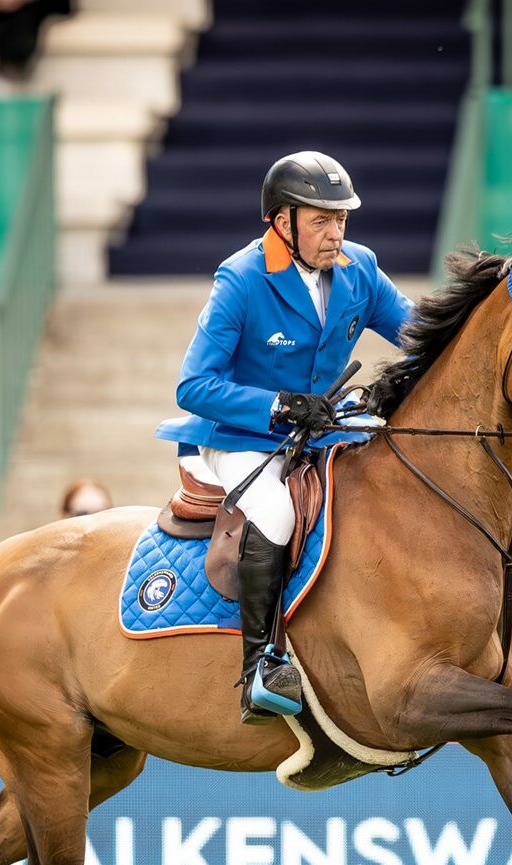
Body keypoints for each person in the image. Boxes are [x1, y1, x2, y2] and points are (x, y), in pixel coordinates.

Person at [155, 151, 414, 725]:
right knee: (273, 513)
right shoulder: (242, 278)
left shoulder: (361, 269)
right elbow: (193, 385)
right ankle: (260, 667)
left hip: (325, 428)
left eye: (341, 220)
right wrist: (278, 405)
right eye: (321, 221)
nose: (335, 234)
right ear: (282, 222)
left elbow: (420, 335)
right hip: (240, 435)